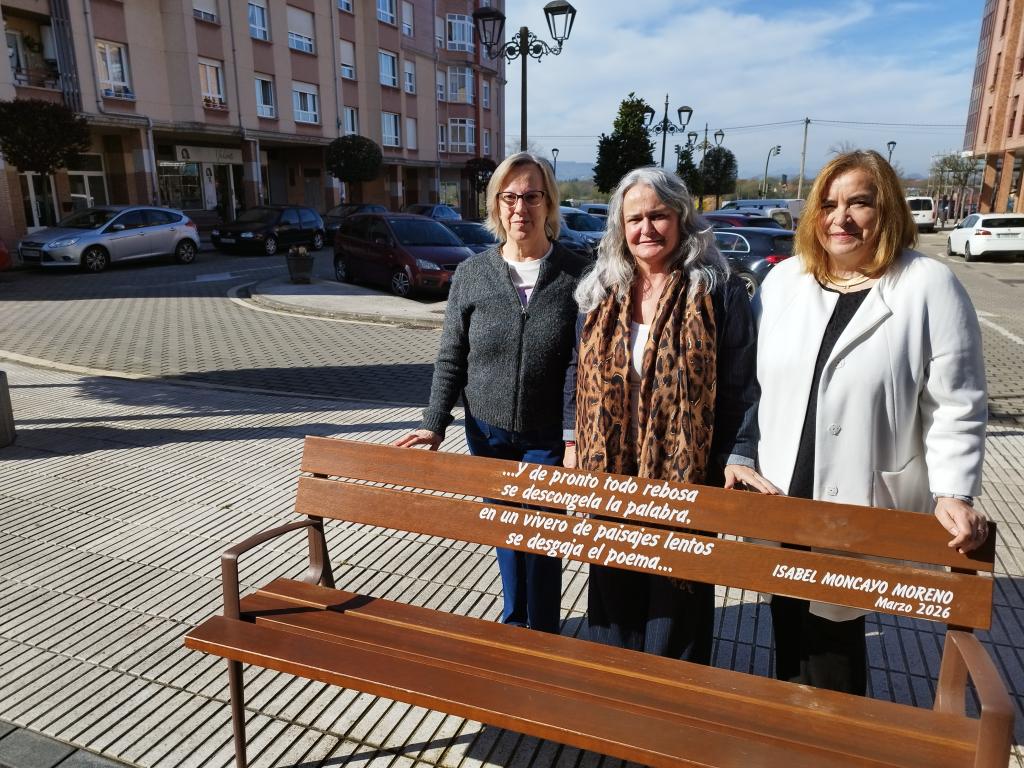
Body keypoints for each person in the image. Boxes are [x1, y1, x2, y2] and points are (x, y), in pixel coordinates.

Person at [730, 149, 989, 694]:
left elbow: (956, 404)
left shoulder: (928, 286)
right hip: (784, 491)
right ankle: (795, 737)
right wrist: (743, 453)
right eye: (828, 204)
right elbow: (754, 384)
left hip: (858, 495)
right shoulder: (785, 283)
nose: (840, 218)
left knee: (835, 642)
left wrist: (953, 489)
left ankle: (836, 746)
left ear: (887, 210)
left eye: (859, 203)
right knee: (787, 625)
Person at [564, 167, 762, 662]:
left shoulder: (718, 292)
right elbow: (577, 370)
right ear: (619, 227)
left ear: (682, 219)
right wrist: (572, 439)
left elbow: (742, 384)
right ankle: (613, 698)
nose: (646, 229)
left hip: (684, 472)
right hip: (608, 470)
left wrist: (739, 452)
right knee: (612, 586)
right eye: (635, 218)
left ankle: (672, 706)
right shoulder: (600, 292)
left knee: (675, 596)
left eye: (659, 215)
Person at [394, 151, 591, 633]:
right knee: (507, 534)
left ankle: (541, 632)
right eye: (509, 197)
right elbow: (451, 356)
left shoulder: (577, 272)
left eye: (531, 196)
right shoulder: (472, 273)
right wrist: (433, 424)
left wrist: (571, 435)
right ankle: (512, 622)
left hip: (549, 436)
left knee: (541, 534)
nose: (520, 207)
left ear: (549, 203)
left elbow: (580, 362)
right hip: (488, 432)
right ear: (496, 206)